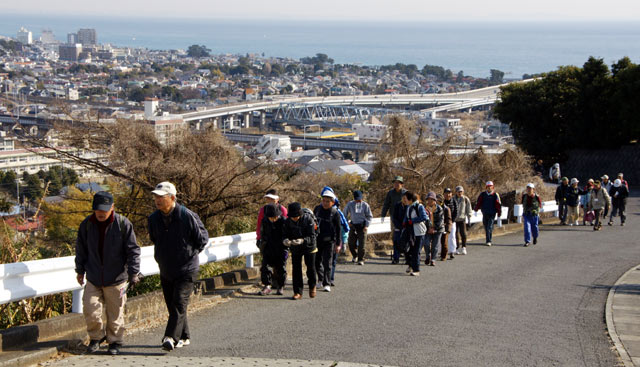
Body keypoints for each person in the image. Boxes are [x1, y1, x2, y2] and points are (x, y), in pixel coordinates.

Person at [75, 191, 141, 356]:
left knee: (115, 313)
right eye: (98, 209)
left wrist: (134, 273)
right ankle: (96, 338)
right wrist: (80, 270)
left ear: (112, 207)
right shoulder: (86, 225)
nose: (101, 213)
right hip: (94, 277)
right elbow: (81, 250)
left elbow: (133, 251)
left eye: (105, 209)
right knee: (90, 308)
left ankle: (115, 341)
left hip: (117, 278)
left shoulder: (122, 224)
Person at [148, 182, 209, 351]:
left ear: (172, 198)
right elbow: (155, 239)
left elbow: (202, 239)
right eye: (156, 197)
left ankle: (169, 338)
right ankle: (184, 335)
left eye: (161, 197)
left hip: (186, 268)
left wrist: (189, 253)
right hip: (166, 268)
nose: (157, 200)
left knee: (178, 303)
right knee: (173, 305)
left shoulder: (186, 215)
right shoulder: (153, 219)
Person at [283, 202, 317, 300]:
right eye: (292, 216)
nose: (294, 218)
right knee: (296, 269)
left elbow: (312, 236)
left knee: (310, 267)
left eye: (296, 216)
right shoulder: (287, 221)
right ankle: (297, 292)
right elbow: (284, 234)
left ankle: (312, 286)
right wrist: (285, 240)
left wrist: (303, 240)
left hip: (309, 246)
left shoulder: (308, 219)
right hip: (295, 246)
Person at [313, 189, 342, 292]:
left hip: (329, 241)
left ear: (333, 202)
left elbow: (338, 229)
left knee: (327, 262)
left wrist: (338, 244)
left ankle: (327, 283)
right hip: (317, 240)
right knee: (316, 261)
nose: (325, 203)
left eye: (327, 201)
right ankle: (320, 279)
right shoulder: (317, 209)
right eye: (323, 200)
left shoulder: (335, 213)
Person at [257, 204, 288, 296]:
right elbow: (262, 234)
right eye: (270, 218)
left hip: (281, 247)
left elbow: (287, 235)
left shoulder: (284, 221)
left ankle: (280, 286)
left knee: (281, 268)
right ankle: (267, 286)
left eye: (274, 217)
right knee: (265, 267)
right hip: (268, 246)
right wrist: (261, 243)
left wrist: (286, 249)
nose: (273, 219)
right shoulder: (265, 221)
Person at [344, 190, 373, 265]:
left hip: (362, 226)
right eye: (356, 199)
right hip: (353, 225)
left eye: (359, 199)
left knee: (362, 245)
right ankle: (355, 255)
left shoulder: (365, 205)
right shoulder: (350, 204)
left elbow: (369, 216)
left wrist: (366, 225)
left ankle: (361, 259)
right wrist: (348, 222)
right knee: (351, 243)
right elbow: (344, 214)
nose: (358, 201)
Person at [403, 191, 428, 276]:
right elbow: (407, 217)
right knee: (408, 249)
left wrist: (412, 221)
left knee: (416, 251)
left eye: (405, 198)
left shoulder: (419, 206)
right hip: (410, 231)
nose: (404, 200)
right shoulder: (408, 207)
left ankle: (416, 270)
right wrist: (405, 222)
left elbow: (424, 217)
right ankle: (410, 265)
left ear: (410, 199)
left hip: (419, 232)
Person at [474, 181, 502, 246]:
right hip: (485, 212)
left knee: (489, 227)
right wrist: (476, 210)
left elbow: (498, 204)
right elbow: (479, 202)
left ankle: (488, 240)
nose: (489, 188)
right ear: (486, 187)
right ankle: (488, 238)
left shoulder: (495, 195)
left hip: (492, 213)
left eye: (490, 186)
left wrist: (499, 213)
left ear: (493, 187)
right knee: (486, 226)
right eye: (488, 186)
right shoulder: (483, 194)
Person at [423, 192, 443, 266]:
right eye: (428, 199)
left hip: (438, 229)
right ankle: (428, 256)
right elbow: (424, 220)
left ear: (435, 200)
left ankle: (433, 259)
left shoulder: (439, 209)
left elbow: (440, 221)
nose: (430, 201)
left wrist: (434, 228)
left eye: (432, 199)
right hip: (427, 230)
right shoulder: (424, 209)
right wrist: (428, 228)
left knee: (435, 245)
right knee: (426, 243)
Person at [453, 186, 472, 255]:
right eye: (458, 191)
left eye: (461, 191)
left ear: (463, 192)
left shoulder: (465, 199)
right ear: (456, 192)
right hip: (454, 220)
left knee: (463, 234)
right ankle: (457, 248)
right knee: (455, 235)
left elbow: (468, 208)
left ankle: (464, 247)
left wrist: (469, 216)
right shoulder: (453, 199)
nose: (460, 193)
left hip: (462, 219)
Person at [442, 188, 457, 260]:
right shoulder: (442, 202)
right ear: (444, 194)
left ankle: (452, 251)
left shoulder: (454, 201)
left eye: (449, 193)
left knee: (452, 237)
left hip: (452, 222)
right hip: (443, 222)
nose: (448, 195)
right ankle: (442, 252)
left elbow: (456, 211)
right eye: (446, 193)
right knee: (442, 238)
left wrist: (452, 221)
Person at [391, 199, 408, 264]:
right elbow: (394, 217)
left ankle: (407, 259)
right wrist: (398, 225)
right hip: (398, 226)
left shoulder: (409, 206)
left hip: (407, 227)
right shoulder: (397, 205)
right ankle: (396, 258)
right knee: (396, 242)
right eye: (403, 198)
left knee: (407, 244)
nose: (405, 199)